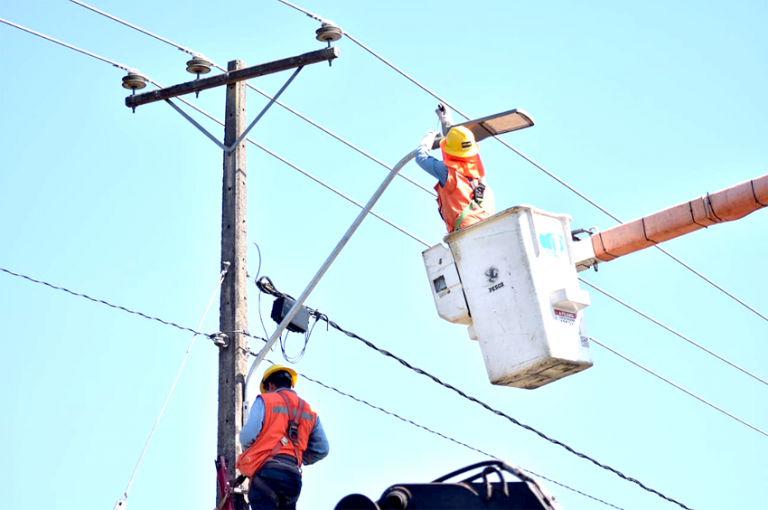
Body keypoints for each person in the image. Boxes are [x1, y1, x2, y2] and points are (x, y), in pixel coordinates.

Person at [238, 365, 329, 510]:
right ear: (290, 385)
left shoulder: (265, 400)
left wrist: (256, 452)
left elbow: (247, 437)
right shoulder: (310, 410)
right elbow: (322, 449)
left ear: (270, 385)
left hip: (267, 474)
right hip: (292, 479)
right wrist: (296, 455)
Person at [416, 124, 495, 233]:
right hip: (488, 224)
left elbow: (421, 158)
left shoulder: (448, 171)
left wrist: (428, 138)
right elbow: (458, 146)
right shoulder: (476, 168)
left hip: (466, 228)